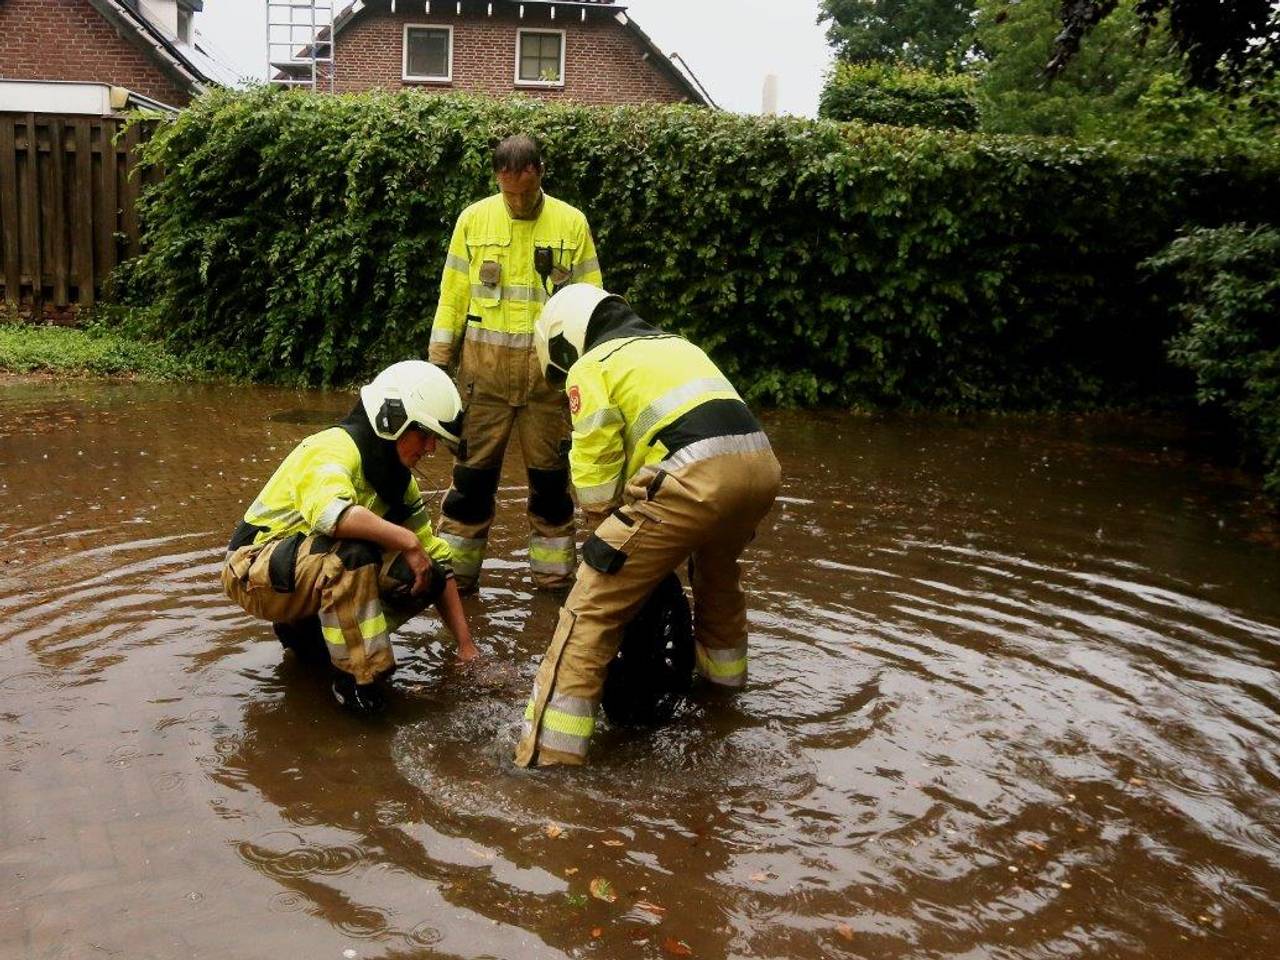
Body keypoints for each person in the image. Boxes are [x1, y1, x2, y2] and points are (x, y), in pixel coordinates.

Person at [515, 285, 782, 767]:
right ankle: (723, 703)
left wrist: (610, 545)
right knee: (717, 581)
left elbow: (596, 481)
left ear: (563, 340)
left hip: (694, 474)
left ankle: (547, 757)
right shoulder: (676, 344)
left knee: (592, 603)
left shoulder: (591, 365)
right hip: (759, 468)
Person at [221, 361, 478, 713]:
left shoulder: (400, 482)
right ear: (394, 418)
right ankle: (358, 682)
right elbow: (332, 516)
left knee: (426, 571)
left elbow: (439, 561)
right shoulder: (332, 448)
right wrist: (407, 541)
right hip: (253, 570)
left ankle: (313, 638)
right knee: (353, 554)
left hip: (309, 568)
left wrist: (467, 649)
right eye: (426, 435)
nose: (431, 449)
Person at [428, 133, 604, 594]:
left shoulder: (571, 223)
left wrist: (591, 374)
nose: (518, 201)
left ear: (539, 173)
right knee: (470, 485)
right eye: (509, 192)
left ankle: (554, 585)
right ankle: (455, 583)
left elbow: (591, 305)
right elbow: (452, 297)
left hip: (548, 384)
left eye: (525, 191)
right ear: (497, 178)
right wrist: (438, 365)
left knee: (551, 489)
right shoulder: (473, 220)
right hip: (482, 380)